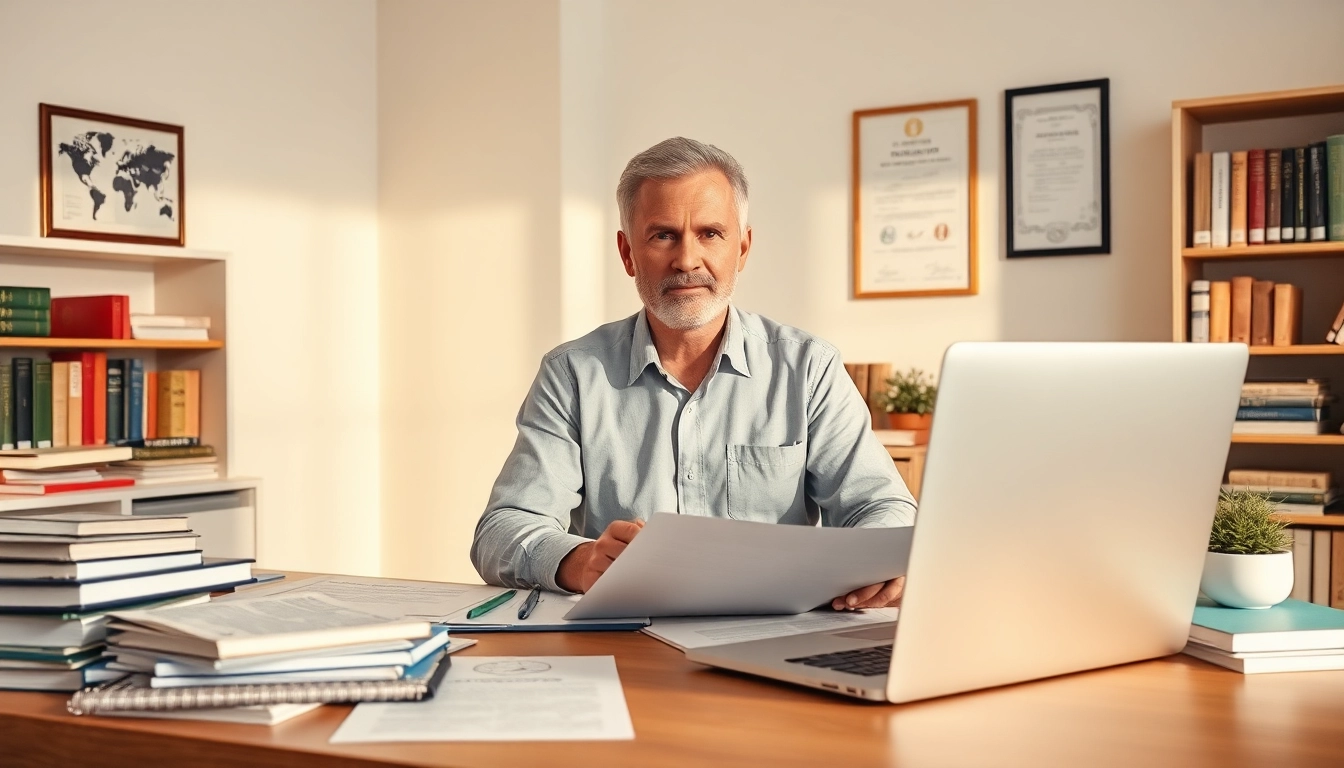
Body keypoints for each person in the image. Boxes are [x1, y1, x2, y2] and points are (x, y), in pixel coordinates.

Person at [471, 137, 915, 610]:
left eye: (710, 234)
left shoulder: (808, 369)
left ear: (742, 248)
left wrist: (882, 562)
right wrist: (581, 561)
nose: (687, 260)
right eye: (663, 235)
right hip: (627, 643)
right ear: (627, 254)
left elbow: (880, 506)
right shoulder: (573, 375)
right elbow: (503, 529)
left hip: (773, 636)